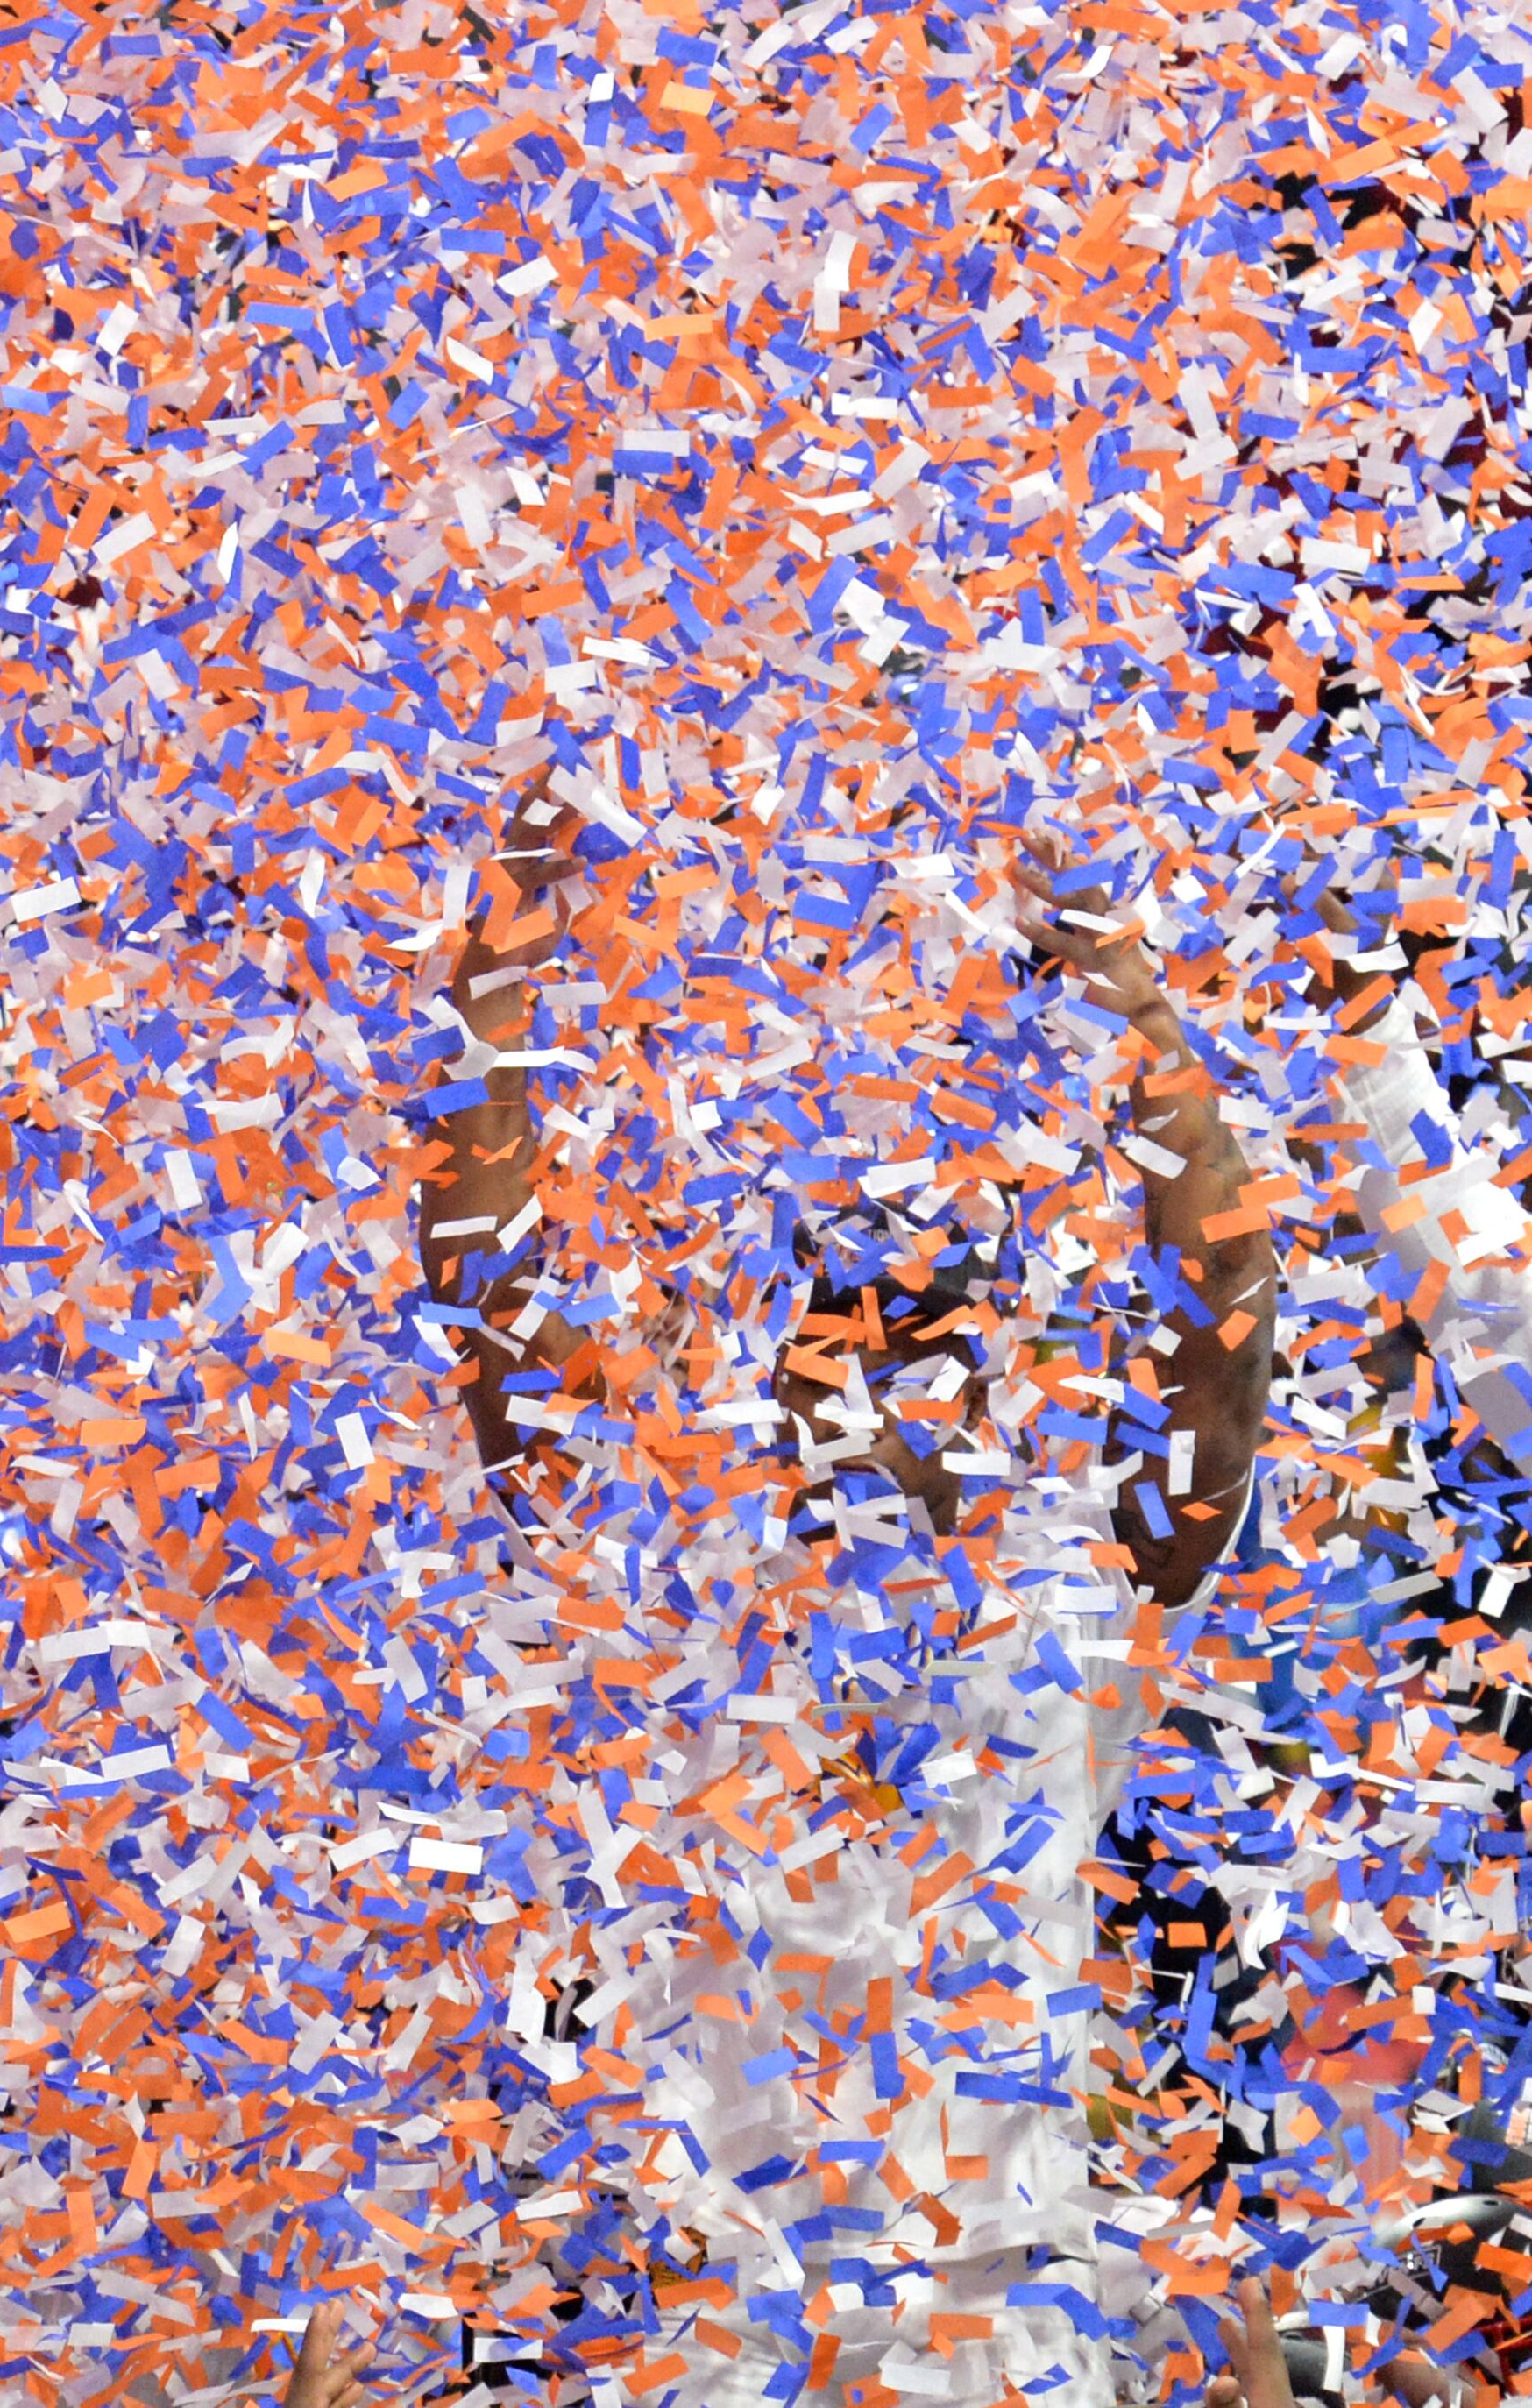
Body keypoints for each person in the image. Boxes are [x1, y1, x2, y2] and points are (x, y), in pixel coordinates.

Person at [416, 800, 1280, 2404]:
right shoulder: (656, 1574)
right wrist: (514, 935)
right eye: (836, 1321)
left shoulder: (1072, 1574)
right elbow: (487, 1290)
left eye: (933, 1319)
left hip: (1011, 2339)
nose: (883, 1371)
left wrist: (1137, 1005)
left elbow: (1224, 1337)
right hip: (723, 2336)